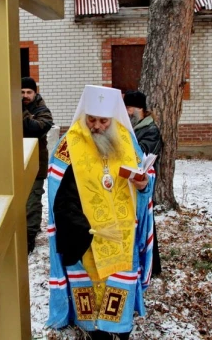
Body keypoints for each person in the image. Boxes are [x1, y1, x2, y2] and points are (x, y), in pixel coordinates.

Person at [47, 85, 155, 339]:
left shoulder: (127, 140)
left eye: (103, 121)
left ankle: (119, 327)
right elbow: (55, 185)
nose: (96, 126)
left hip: (121, 231)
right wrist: (74, 221)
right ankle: (93, 330)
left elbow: (145, 179)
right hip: (85, 231)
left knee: (117, 282)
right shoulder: (70, 143)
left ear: (113, 118)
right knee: (89, 283)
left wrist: (143, 184)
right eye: (92, 120)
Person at [123, 90, 163, 277]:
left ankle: (152, 267)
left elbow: (143, 154)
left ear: (141, 109)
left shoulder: (151, 130)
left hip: (143, 187)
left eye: (130, 107)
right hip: (127, 186)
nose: (127, 112)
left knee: (147, 225)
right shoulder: (131, 129)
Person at [21, 77, 53, 254]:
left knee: (32, 202)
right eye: (22, 92)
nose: (25, 95)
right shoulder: (15, 109)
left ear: (35, 93)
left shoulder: (43, 111)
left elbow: (35, 128)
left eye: (29, 92)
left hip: (35, 164)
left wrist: (22, 110)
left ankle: (30, 236)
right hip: (17, 162)